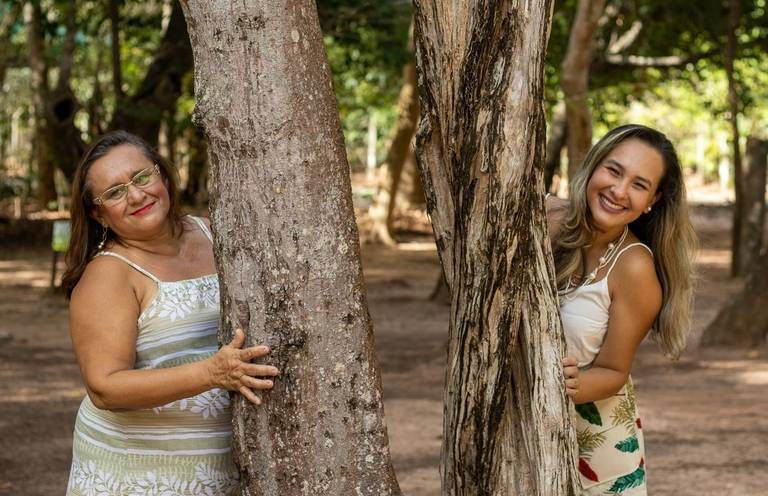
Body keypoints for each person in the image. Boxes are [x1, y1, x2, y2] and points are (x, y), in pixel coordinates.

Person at [62, 131, 279, 495]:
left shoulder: (215, 233)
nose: (136, 195)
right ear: (98, 213)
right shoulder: (108, 276)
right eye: (114, 192)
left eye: (141, 176)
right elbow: (105, 388)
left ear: (162, 174)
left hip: (216, 473)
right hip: (135, 474)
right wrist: (211, 373)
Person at [550, 124, 696, 495]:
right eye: (614, 171)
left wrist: (563, 383)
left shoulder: (634, 268)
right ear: (594, 166)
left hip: (598, 443)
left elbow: (614, 371)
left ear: (652, 200)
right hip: (521, 429)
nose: (618, 191)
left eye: (639, 184)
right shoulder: (547, 218)